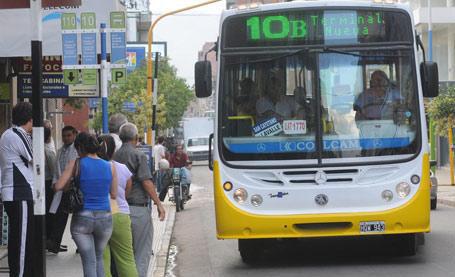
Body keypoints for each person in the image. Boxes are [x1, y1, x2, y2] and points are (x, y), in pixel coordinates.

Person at [54, 132, 118, 277]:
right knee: (99, 258)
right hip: (105, 218)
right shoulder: (110, 166)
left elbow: (58, 186)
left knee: (89, 261)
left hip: (83, 218)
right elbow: (114, 194)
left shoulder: (76, 163)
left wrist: (69, 184)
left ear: (80, 147)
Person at [113, 123, 165, 277]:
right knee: (142, 251)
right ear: (136, 138)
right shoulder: (138, 155)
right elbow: (147, 182)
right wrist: (159, 204)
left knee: (121, 254)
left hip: (118, 209)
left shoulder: (114, 156)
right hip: (137, 209)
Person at [0, 102, 35, 276]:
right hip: (19, 192)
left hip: (14, 192)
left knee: (17, 239)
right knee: (21, 242)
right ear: (30, 119)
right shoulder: (17, 134)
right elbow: (35, 159)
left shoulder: (8, 134)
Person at [98, 135, 138, 277]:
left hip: (99, 216)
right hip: (120, 214)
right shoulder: (122, 169)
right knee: (126, 259)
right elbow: (127, 191)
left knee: (103, 260)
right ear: (114, 150)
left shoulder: (93, 167)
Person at [48, 125, 78, 254]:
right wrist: (55, 184)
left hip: (72, 189)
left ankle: (79, 244)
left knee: (77, 218)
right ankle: (54, 243)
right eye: (64, 136)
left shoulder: (77, 150)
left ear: (75, 135)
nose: (66, 138)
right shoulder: (60, 151)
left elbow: (75, 169)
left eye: (69, 135)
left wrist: (68, 184)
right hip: (60, 189)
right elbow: (56, 170)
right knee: (59, 216)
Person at [44, 126, 57, 249]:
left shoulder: (34, 148)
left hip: (39, 184)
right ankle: (49, 238)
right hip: (48, 185)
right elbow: (55, 171)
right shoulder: (48, 151)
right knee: (50, 212)